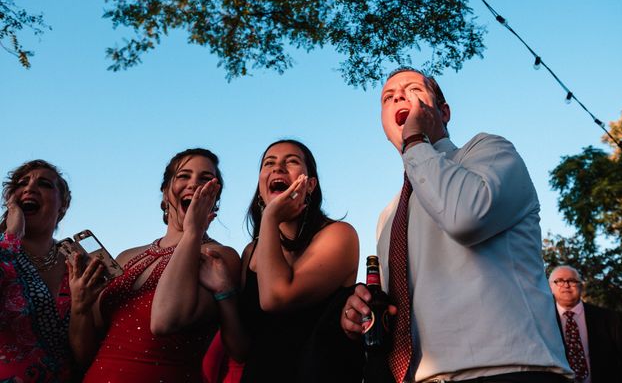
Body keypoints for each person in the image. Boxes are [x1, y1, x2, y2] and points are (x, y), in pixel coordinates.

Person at [341, 68, 573, 382]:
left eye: (412, 89)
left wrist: (414, 141)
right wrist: (361, 314)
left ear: (443, 111)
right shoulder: (389, 214)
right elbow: (396, 309)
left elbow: (465, 217)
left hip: (509, 370)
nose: (397, 96)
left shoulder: (489, 152)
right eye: (387, 97)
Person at [69, 148, 240, 382]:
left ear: (214, 196)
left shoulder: (218, 256)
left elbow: (167, 320)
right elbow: (84, 355)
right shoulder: (126, 257)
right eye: (183, 176)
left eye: (205, 179)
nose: (193, 184)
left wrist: (193, 231)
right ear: (164, 193)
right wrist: (80, 306)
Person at [199, 139, 360, 383]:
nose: (278, 168)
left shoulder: (339, 235)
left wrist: (271, 217)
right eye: (269, 163)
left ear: (311, 185)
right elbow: (240, 350)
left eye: (292, 161)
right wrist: (225, 294)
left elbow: (276, 297)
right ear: (261, 186)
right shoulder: (250, 253)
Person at [0, 160, 73, 382]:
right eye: (22, 183)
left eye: (44, 184)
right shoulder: (3, 251)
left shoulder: (77, 264)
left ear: (63, 206)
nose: (30, 188)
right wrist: (12, 235)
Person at [548, 265, 622, 382]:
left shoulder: (609, 319)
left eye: (572, 280)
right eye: (559, 281)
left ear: (581, 286)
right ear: (550, 287)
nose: (566, 284)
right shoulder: (543, 321)